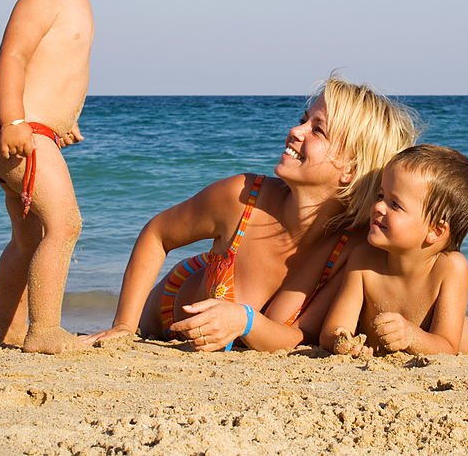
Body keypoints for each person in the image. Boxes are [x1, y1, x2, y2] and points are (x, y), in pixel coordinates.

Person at [83, 76, 419, 351]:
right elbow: (157, 234)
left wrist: (245, 320)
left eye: (318, 129)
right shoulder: (242, 198)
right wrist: (124, 326)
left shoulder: (348, 248)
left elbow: (297, 336)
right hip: (169, 310)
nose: (295, 131)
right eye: (303, 120)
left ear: (351, 168)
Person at [0, 0, 155, 354]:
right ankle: (45, 330)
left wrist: (63, 120)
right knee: (65, 225)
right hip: (23, 132)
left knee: (28, 238)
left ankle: (7, 329)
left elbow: (56, 72)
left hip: (37, 131)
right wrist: (14, 119)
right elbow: (12, 54)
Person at [321, 144, 468, 356]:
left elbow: (447, 347)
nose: (378, 207)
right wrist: (340, 340)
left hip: (458, 338)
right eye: (381, 196)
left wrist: (411, 336)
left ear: (436, 230)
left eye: (395, 205)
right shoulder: (363, 260)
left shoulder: (450, 267)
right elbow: (333, 328)